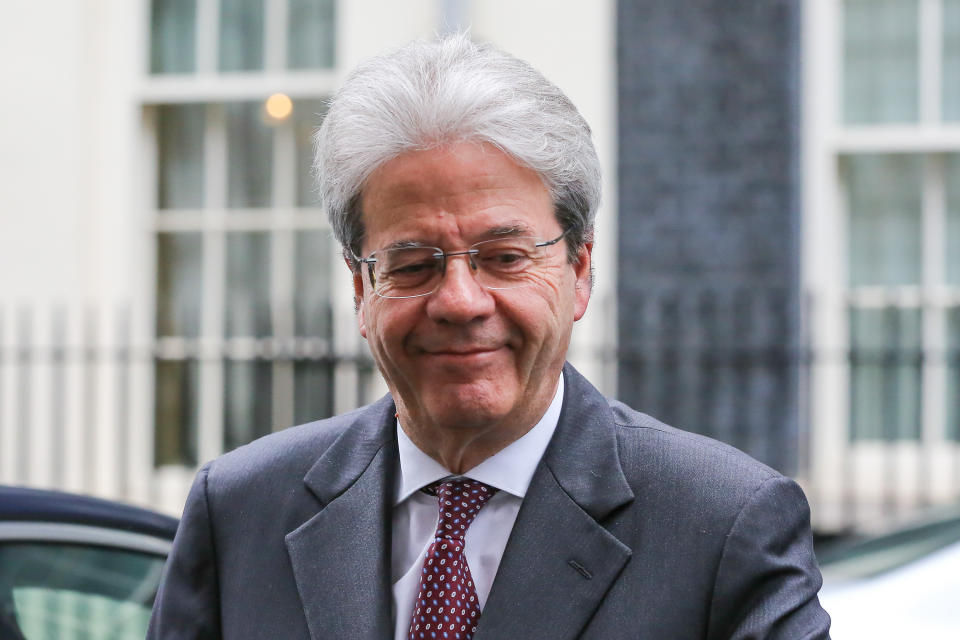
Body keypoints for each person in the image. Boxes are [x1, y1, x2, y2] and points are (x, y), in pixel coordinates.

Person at [148, 34, 830, 639]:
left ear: (579, 270)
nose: (460, 302)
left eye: (505, 258)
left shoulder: (723, 527)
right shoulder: (241, 512)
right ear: (361, 289)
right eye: (413, 264)